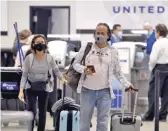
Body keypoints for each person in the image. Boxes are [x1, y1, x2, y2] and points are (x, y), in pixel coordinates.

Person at [73, 23, 134, 131]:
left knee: (103, 123)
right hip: (87, 91)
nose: (99, 35)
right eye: (97, 33)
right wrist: (84, 69)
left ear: (108, 35)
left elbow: (118, 72)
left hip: (105, 92)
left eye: (102, 33)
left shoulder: (113, 52)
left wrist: (127, 84)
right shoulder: (86, 47)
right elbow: (75, 64)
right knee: (84, 122)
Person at [18, 34, 66, 131]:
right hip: (30, 87)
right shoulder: (29, 58)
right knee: (31, 111)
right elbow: (24, 75)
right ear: (33, 44)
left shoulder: (49, 58)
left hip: (44, 87)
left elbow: (56, 70)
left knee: (43, 112)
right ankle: (30, 129)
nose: (40, 44)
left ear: (45, 44)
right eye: (37, 42)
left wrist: (62, 79)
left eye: (42, 42)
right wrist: (21, 90)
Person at [143, 24, 168, 122]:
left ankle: (150, 115)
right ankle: (162, 116)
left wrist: (151, 68)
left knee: (153, 92)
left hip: (159, 68)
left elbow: (153, 59)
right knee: (166, 93)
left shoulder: (158, 43)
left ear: (157, 32)